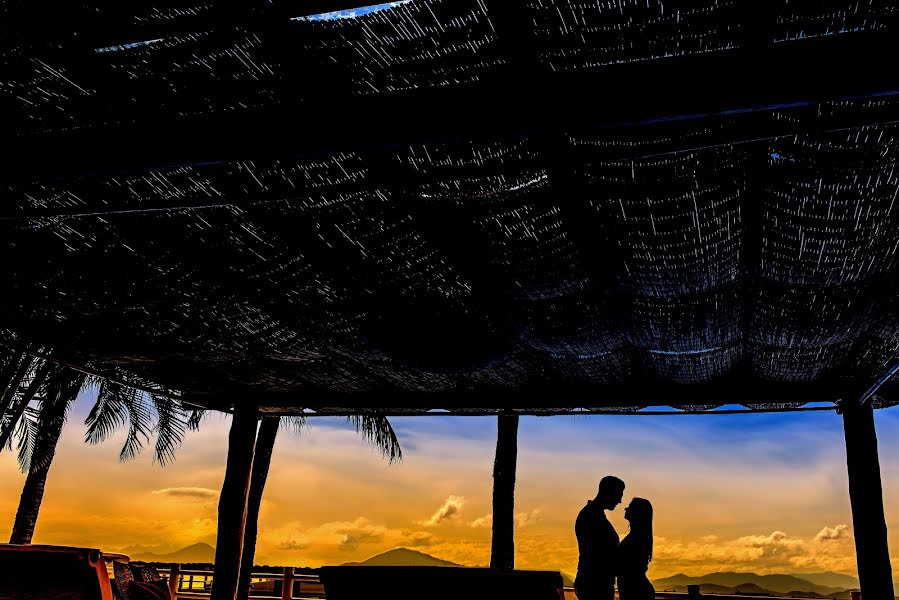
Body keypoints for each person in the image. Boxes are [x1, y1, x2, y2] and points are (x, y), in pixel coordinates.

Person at [575, 475, 625, 600]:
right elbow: (598, 554)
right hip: (595, 584)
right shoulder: (591, 517)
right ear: (609, 492)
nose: (620, 501)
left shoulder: (593, 515)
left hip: (596, 582)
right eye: (619, 494)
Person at [617, 498, 655, 600]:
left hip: (636, 590)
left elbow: (625, 566)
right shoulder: (637, 537)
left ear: (637, 513)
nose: (625, 509)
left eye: (630, 507)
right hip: (635, 589)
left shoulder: (637, 539)